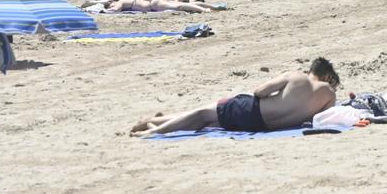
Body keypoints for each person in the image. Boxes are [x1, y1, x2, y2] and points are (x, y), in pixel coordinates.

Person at [131, 58, 340, 137]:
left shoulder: (295, 76)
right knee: (210, 117)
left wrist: (278, 96)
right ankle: (153, 120)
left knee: (202, 113)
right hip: (261, 126)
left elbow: (259, 92)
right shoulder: (330, 94)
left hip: (253, 111)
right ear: (328, 77)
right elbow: (319, 120)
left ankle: (154, 130)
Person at [88, 0, 227, 14]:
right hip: (153, 2)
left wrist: (103, 10)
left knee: (179, 6)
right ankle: (213, 7)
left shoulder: (121, 2)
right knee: (179, 6)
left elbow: (115, 10)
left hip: (153, 5)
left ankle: (206, 10)